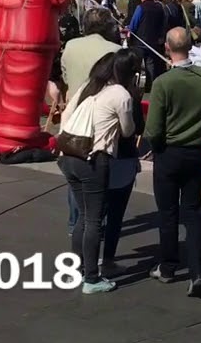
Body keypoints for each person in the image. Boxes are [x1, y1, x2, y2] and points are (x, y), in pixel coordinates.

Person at [145, 27, 201, 298]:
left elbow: (153, 129)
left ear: (167, 47)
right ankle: (197, 272)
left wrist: (155, 147)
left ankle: (167, 267)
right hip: (195, 152)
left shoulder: (163, 83)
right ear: (190, 46)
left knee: (167, 213)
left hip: (169, 152)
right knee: (192, 213)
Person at [56, 50, 140, 294]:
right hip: (93, 158)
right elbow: (127, 131)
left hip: (68, 154)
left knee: (83, 215)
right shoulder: (120, 95)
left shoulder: (88, 88)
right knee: (94, 219)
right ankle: (92, 278)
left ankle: (78, 266)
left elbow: (67, 116)